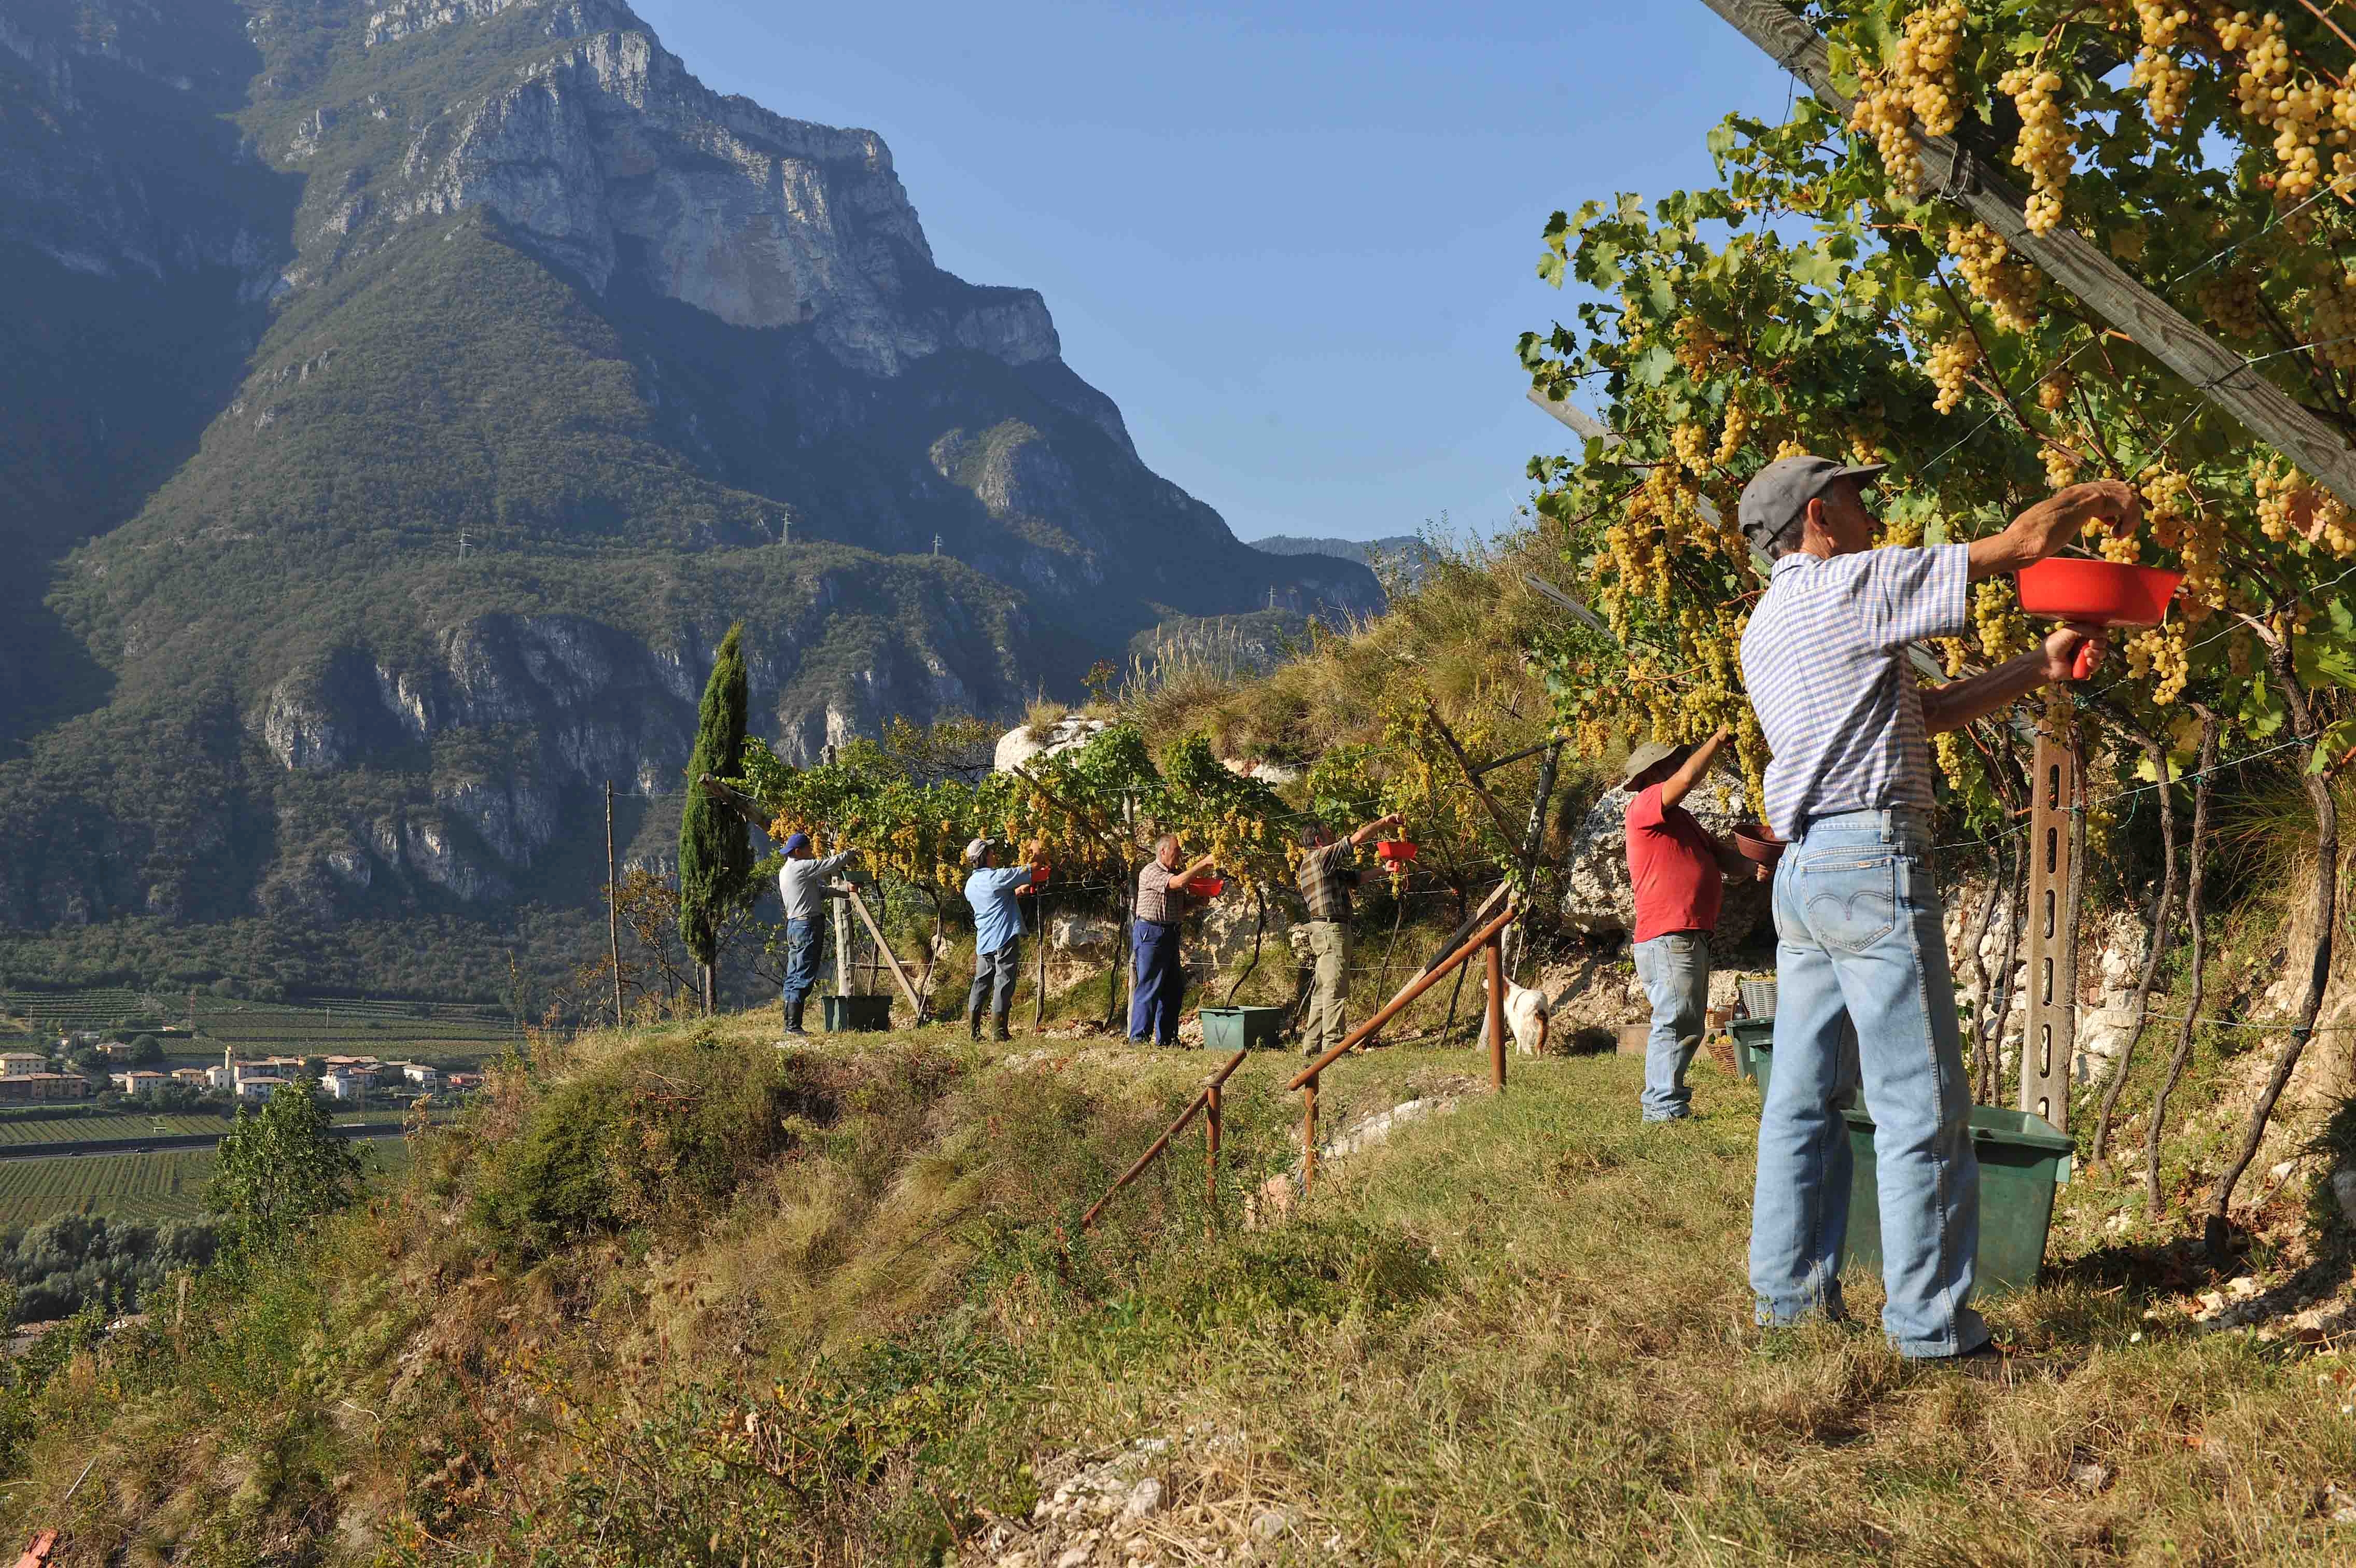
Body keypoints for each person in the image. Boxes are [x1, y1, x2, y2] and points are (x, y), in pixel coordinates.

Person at [1737, 453, 2128, 1365]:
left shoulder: (1766, 625)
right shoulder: (1852, 582)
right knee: (1918, 1103)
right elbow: (2024, 544)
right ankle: (1933, 1331)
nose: (1871, 509)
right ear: (1818, 514)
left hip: (1803, 875)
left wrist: (2038, 663)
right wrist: (2095, 496)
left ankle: (1787, 1303)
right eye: (1855, 494)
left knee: (1800, 1098)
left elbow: (1929, 711)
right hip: (1869, 860)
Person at [1620, 725, 1768, 1123]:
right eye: (1669, 762)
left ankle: (1665, 1105)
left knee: (1684, 1021)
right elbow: (1687, 778)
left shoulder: (1681, 820)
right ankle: (1663, 1109)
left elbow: (1721, 858)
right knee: (1676, 1020)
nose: (1677, 766)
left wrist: (1757, 867)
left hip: (1684, 934)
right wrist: (1718, 740)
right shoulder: (1645, 805)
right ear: (1651, 775)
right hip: (1670, 935)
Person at [1294, 810, 1405, 1059]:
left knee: (1323, 989)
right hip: (1332, 930)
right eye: (1329, 835)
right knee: (1335, 987)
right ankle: (1333, 1046)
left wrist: (1384, 869)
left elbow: (1357, 878)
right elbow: (1355, 839)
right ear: (1319, 840)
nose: (1333, 837)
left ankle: (1311, 1044)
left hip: (1322, 929)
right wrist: (1383, 822)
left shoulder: (1315, 865)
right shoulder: (1322, 857)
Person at [1131, 834, 1221, 1047]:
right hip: (1150, 933)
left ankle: (1168, 1040)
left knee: (1173, 989)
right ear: (1163, 851)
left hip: (1170, 933)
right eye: (1176, 850)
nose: (1179, 855)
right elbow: (1178, 883)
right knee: (1150, 986)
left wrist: (1198, 902)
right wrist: (1205, 863)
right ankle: (1138, 1040)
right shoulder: (1151, 872)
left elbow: (1179, 909)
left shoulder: (1175, 874)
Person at [776, 832, 857, 1040]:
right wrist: (853, 852)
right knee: (803, 974)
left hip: (794, 925)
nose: (811, 853)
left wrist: (844, 890)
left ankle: (790, 1023)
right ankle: (794, 1027)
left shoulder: (786, 871)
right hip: (807, 926)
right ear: (798, 851)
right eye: (808, 849)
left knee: (793, 974)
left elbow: (819, 892)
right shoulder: (801, 867)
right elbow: (829, 864)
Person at [962, 836, 1042, 1042]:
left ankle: (974, 1033)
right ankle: (999, 1034)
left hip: (985, 942)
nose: (994, 855)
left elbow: (993, 900)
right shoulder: (997, 877)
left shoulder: (970, 885)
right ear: (984, 857)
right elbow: (1033, 867)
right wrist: (1036, 850)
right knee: (1003, 983)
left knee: (981, 983)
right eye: (991, 852)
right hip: (1004, 938)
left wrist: (1016, 892)